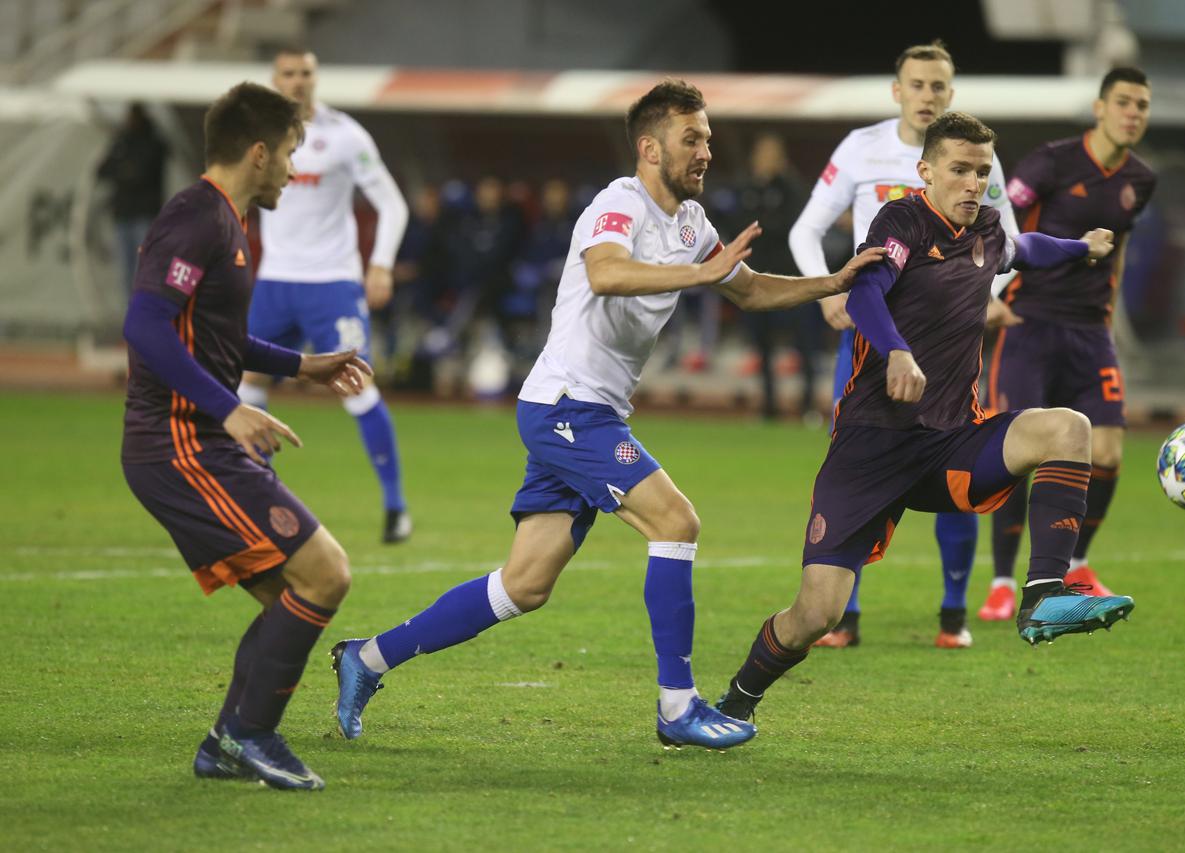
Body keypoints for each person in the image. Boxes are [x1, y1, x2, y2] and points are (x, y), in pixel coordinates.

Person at [329, 79, 887, 751]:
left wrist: (829, 282)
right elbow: (606, 273)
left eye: (708, 137)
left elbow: (752, 289)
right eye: (693, 138)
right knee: (676, 521)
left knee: (524, 585)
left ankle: (366, 659)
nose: (707, 150)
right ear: (650, 148)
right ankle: (678, 705)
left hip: (582, 410)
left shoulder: (691, 224)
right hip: (570, 405)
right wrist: (699, 277)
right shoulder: (616, 205)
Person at [716, 112, 1136, 728]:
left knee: (1068, 427)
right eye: (960, 171)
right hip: (870, 448)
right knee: (817, 615)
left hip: (949, 445)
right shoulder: (901, 221)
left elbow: (1026, 249)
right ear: (927, 172)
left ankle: (1044, 595)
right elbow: (863, 291)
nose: (973, 184)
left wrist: (1082, 246)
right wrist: (897, 351)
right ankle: (736, 702)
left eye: (982, 173)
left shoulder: (988, 230)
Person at [120, 82, 373, 790]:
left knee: (294, 594)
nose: (295, 168)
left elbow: (215, 335)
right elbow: (145, 325)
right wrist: (227, 408)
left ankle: (226, 742)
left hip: (197, 438)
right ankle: (249, 733)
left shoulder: (224, 222)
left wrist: (302, 366)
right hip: (180, 443)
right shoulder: (195, 218)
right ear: (259, 153)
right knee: (325, 572)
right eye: (290, 152)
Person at [788, 40, 1022, 649]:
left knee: (961, 461)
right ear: (898, 90)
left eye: (938, 86)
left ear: (952, 92)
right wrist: (827, 291)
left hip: (947, 348)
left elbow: (1012, 243)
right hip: (876, 342)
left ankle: (953, 612)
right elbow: (806, 229)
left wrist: (992, 292)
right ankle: (845, 617)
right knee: (857, 472)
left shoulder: (971, 160)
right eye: (917, 85)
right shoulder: (860, 148)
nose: (927, 96)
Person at [978, 67, 1157, 620]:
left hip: (1090, 331)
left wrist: (1110, 316)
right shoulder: (1049, 163)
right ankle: (1004, 582)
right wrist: (988, 295)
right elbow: (997, 224)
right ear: (1100, 107)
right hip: (1028, 322)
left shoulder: (1141, 180)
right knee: (1017, 456)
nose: (1133, 113)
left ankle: (1075, 564)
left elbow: (1119, 248)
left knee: (1105, 454)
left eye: (1143, 106)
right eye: (1124, 102)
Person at [238, 47, 412, 544]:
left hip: (333, 284)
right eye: (288, 73)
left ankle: (396, 508)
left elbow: (391, 204)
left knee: (357, 387)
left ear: (316, 78)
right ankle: (259, 502)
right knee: (245, 384)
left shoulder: (344, 136)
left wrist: (379, 264)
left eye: (306, 73)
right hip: (274, 282)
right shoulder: (258, 137)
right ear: (273, 79)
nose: (297, 81)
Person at [728, 133, 820, 420]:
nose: (767, 160)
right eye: (763, 153)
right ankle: (769, 407)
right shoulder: (744, 188)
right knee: (762, 345)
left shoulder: (793, 189)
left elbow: (793, 226)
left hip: (791, 280)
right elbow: (736, 226)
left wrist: (762, 225)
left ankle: (807, 406)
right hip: (754, 281)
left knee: (805, 344)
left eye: (772, 154)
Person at [97, 103, 169, 305]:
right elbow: (103, 170)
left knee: (144, 268)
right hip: (123, 214)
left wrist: (122, 171)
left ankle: (145, 312)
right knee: (125, 271)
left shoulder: (153, 142)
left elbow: (141, 173)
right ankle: (131, 315)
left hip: (145, 214)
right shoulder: (121, 141)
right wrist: (124, 170)